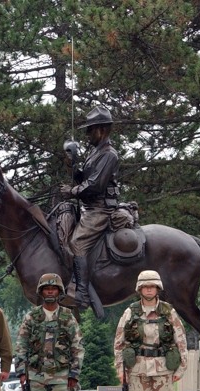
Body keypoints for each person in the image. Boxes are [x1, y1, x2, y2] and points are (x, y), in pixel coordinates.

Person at [60, 105, 119, 309]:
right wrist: (72, 164)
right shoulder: (95, 153)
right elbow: (84, 178)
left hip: (101, 209)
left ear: (101, 129)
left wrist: (72, 191)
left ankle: (82, 294)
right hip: (90, 208)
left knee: (77, 243)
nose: (87, 134)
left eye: (90, 130)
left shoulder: (109, 155)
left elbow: (95, 185)